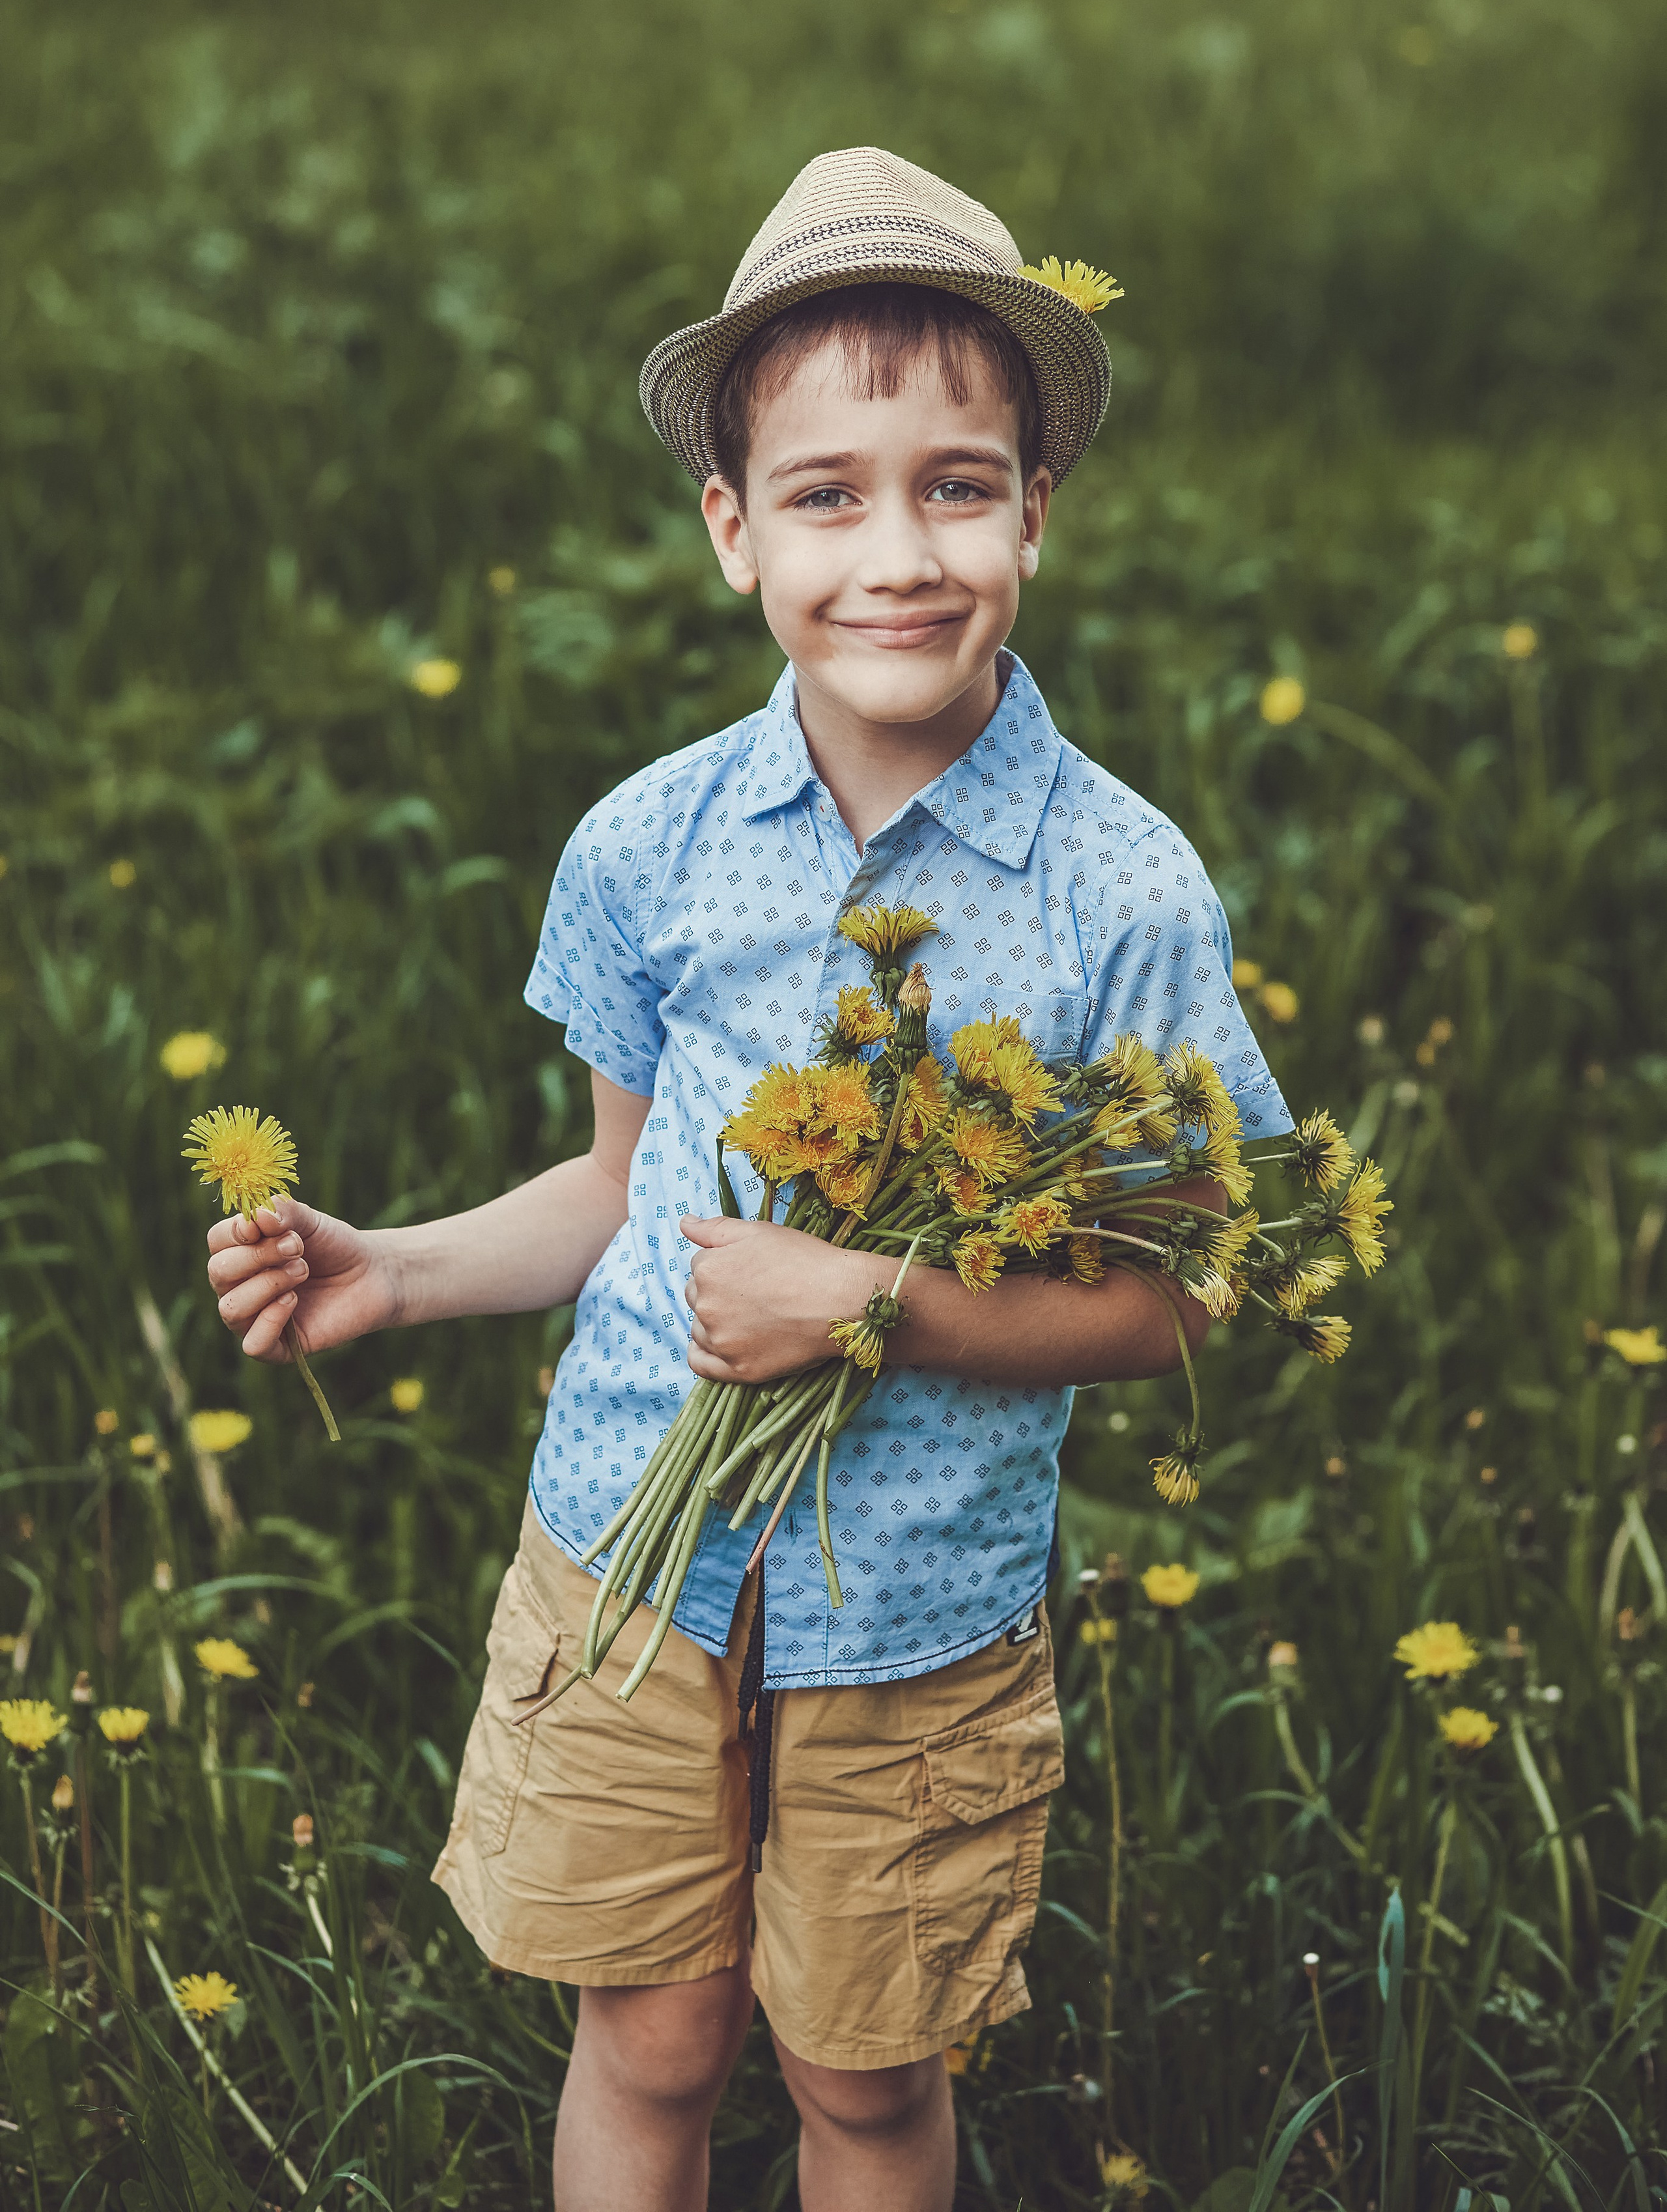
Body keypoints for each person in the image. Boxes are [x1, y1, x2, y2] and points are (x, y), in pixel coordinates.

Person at [205, 147, 1292, 2212]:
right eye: (827, 494)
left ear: (1038, 513)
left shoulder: (1120, 895)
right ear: (732, 532)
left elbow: (1191, 1289)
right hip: (633, 1555)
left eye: (959, 486)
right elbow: (621, 1192)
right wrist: (399, 1270)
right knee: (655, 2037)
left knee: (863, 2082)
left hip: (917, 1623)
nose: (899, 552)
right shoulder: (652, 845)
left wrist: (872, 1303)